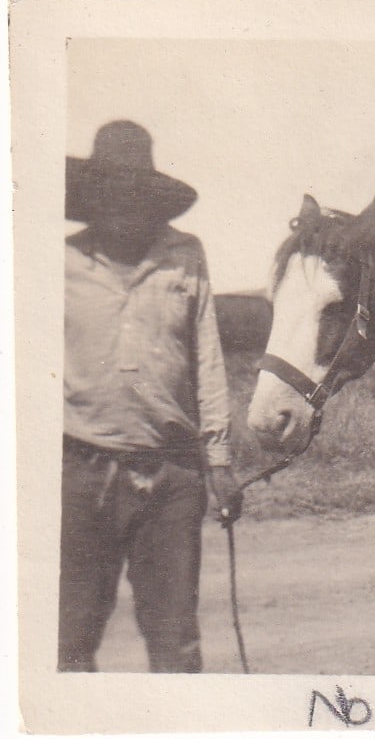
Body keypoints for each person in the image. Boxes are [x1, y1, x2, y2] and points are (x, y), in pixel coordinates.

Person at [61, 120, 243, 672]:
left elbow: (207, 358)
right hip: (76, 473)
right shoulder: (60, 264)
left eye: (133, 194)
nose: (121, 206)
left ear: (151, 200)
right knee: (66, 638)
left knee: (176, 643)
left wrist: (219, 459)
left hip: (171, 477)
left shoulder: (185, 255)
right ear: (90, 199)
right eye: (107, 193)